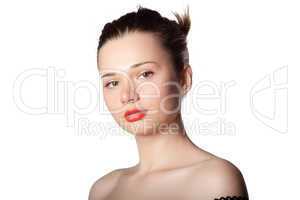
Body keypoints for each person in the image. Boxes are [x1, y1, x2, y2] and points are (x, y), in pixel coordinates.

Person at [89, 5, 249, 200]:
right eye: (113, 82)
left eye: (145, 74)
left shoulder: (215, 179)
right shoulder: (103, 191)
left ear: (184, 79)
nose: (128, 96)